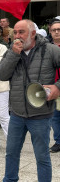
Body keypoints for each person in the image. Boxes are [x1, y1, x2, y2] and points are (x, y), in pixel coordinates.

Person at [0, 19, 60, 182]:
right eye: (15, 33)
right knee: (11, 153)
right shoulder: (12, 51)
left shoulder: (50, 50)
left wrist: (57, 87)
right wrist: (13, 55)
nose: (17, 36)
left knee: (42, 157)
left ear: (32, 34)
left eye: (21, 32)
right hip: (17, 114)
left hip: (41, 115)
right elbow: (1, 75)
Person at [48, 18, 60, 153]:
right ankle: (58, 141)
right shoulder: (47, 48)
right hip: (52, 87)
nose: (57, 32)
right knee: (55, 116)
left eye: (59, 30)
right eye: (54, 30)